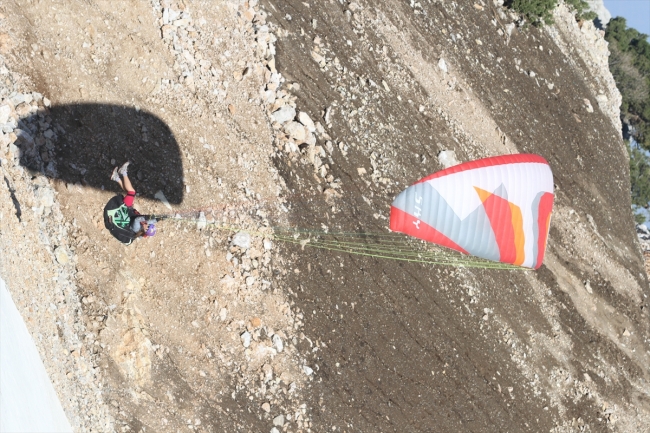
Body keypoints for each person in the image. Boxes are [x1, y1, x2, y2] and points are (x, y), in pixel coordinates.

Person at [103, 162, 156, 245]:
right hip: (128, 210)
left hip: (125, 210)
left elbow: (138, 219)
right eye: (150, 225)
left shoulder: (137, 228)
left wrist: (149, 218)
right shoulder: (143, 226)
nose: (147, 225)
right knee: (129, 192)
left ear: (144, 231)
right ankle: (116, 178)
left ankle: (123, 172)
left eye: (147, 228)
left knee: (131, 192)